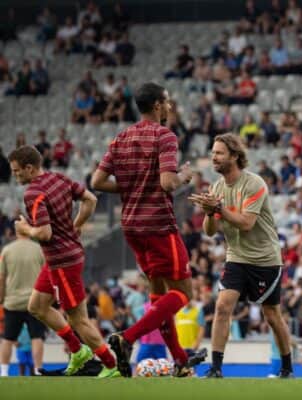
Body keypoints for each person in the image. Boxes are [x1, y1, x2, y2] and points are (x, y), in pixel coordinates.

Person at [91, 82, 205, 378]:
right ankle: (126, 338)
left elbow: (97, 182)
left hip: (131, 227)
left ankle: (180, 362)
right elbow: (168, 183)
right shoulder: (164, 136)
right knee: (183, 293)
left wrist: (130, 188)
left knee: (158, 297)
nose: (169, 107)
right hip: (158, 225)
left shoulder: (121, 138)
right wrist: (185, 175)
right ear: (157, 105)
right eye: (166, 102)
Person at [7, 145, 119, 378]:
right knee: (36, 306)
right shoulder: (58, 178)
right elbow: (90, 200)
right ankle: (78, 352)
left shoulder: (33, 193)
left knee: (78, 319)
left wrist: (25, 228)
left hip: (62, 261)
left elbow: (45, 233)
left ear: (29, 168)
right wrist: (75, 226)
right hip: (61, 257)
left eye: (17, 171)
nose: (15, 175)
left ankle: (112, 365)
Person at [189, 133, 293, 378]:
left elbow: (246, 223)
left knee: (272, 315)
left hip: (265, 259)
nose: (213, 157)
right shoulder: (216, 188)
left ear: (234, 156)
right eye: (212, 152)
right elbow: (210, 231)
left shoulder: (254, 183)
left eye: (219, 153)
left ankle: (287, 367)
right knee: (223, 306)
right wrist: (208, 212)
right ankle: (215, 368)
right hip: (236, 257)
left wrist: (219, 208)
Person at [0, 230, 46, 377]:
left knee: (8, 338)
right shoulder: (39, 250)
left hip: (13, 301)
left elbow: (1, 278)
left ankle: (4, 372)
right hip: (35, 301)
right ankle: (38, 370)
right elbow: (47, 275)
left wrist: (1, 298)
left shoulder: (7, 250)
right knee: (37, 337)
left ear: (16, 233)